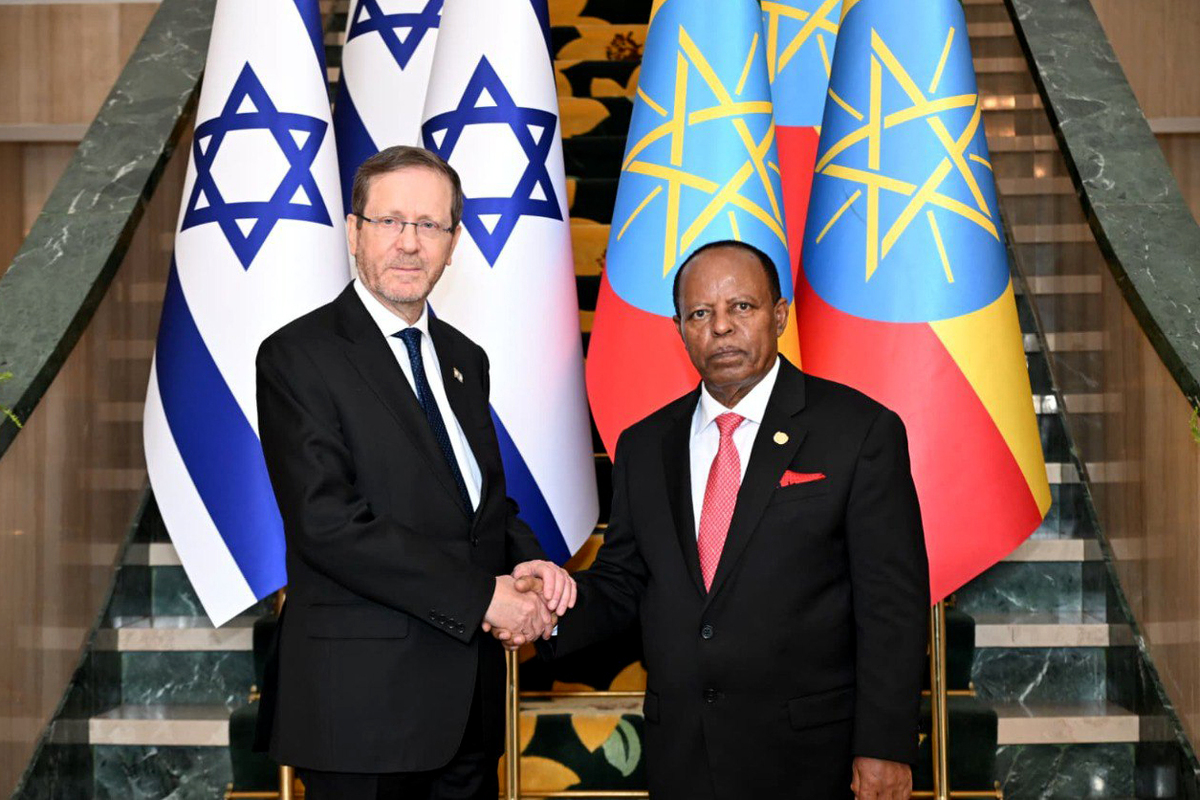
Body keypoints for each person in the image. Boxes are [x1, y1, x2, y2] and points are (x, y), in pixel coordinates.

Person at [497, 240, 930, 799]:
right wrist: (548, 608)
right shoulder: (645, 445)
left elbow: (891, 603)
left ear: (779, 316)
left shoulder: (858, 431)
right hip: (684, 756)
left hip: (812, 757)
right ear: (679, 330)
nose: (721, 327)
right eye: (700, 313)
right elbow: (625, 581)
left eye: (741, 307)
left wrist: (886, 745)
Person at [253, 145, 573, 800]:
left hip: (467, 710)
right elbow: (327, 524)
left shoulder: (465, 358)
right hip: (359, 711)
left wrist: (530, 564)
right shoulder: (297, 356)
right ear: (353, 232)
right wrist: (483, 598)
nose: (409, 243)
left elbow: (480, 503)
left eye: (429, 225)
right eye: (390, 221)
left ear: (453, 244)